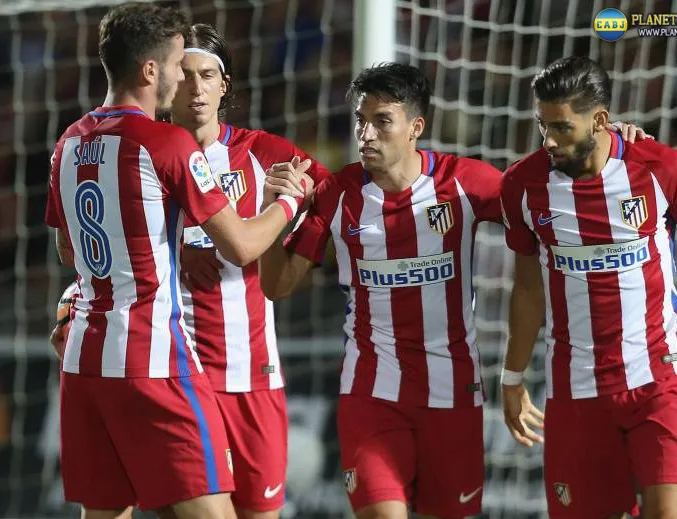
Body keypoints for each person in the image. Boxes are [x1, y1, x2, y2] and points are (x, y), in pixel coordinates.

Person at [260, 61, 648, 519]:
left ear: (415, 127)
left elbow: (539, 198)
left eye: (382, 121)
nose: (366, 134)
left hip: (454, 395)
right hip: (372, 394)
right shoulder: (338, 194)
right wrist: (274, 209)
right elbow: (278, 285)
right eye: (361, 121)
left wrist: (602, 142)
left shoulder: (464, 183)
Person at [44, 4, 311, 519]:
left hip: (83, 363)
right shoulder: (166, 142)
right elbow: (242, 246)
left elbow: (68, 250)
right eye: (174, 66)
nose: (181, 80)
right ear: (149, 71)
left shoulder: (68, 141)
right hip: (154, 360)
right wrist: (289, 201)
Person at [499, 56, 677, 519]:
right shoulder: (522, 185)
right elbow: (527, 289)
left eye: (562, 127)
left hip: (659, 378)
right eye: (543, 126)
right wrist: (513, 377)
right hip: (575, 389)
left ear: (600, 121)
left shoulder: (661, 168)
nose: (550, 141)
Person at [171, 23, 329, 519]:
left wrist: (290, 260)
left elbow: (335, 193)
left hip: (253, 374)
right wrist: (177, 251)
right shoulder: (147, 154)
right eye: (185, 75)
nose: (196, 88)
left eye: (209, 75)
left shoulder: (263, 152)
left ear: (226, 85)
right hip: (176, 378)